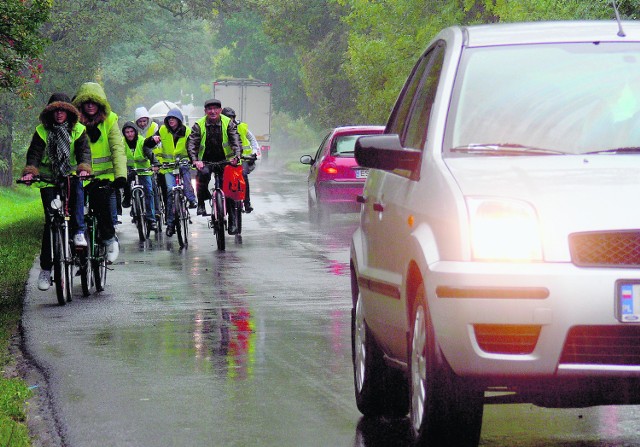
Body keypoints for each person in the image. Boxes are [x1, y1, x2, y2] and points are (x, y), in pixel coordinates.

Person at [21, 93, 92, 291]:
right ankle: (45, 269)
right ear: (50, 112)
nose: (59, 114)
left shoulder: (78, 130)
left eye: (63, 110)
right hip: (48, 179)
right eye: (55, 110)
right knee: (51, 222)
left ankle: (78, 232)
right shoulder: (41, 131)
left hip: (70, 177)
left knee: (78, 193)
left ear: (69, 112)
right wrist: (30, 172)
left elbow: (84, 152)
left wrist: (84, 167)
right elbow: (34, 154)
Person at [72, 82, 127, 263]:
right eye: (86, 102)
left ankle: (110, 241)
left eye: (94, 102)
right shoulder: (73, 121)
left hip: (103, 178)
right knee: (73, 212)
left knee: (103, 210)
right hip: (78, 177)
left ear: (100, 104)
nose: (90, 105)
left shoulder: (110, 120)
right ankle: (77, 250)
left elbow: (117, 148)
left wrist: (120, 175)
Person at [186, 99, 242, 217]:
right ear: (205, 111)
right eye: (209, 109)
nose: (213, 111)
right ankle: (201, 203)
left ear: (220, 110)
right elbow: (191, 143)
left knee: (229, 189)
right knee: (202, 177)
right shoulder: (199, 125)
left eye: (215, 109)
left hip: (225, 160)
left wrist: (237, 156)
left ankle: (232, 219)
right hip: (205, 160)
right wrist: (195, 160)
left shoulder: (228, 123)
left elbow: (236, 140)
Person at [156, 107, 196, 237]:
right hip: (168, 167)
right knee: (170, 192)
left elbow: (192, 147)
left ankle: (191, 199)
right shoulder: (162, 130)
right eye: (169, 118)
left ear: (179, 120)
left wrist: (193, 160)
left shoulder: (187, 131)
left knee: (186, 178)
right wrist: (156, 161)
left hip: (183, 164)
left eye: (174, 118)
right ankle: (170, 224)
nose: (171, 120)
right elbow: (151, 144)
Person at [121, 121, 161, 231]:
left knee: (149, 191)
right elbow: (119, 156)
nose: (129, 134)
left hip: (144, 170)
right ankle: (128, 198)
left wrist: (155, 163)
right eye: (127, 132)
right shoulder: (121, 143)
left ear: (135, 132)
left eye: (131, 131)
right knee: (125, 182)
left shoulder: (142, 141)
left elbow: (150, 153)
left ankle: (151, 219)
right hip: (130, 170)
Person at [221, 107, 258, 213]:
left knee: (243, 177)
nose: (230, 120)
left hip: (243, 159)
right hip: (226, 160)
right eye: (227, 118)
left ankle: (247, 203)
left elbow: (252, 140)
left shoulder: (241, 127)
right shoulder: (220, 129)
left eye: (231, 118)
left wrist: (254, 152)